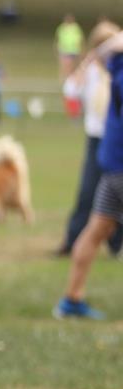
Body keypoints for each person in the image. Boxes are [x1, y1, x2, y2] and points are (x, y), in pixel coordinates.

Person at [55, 28, 123, 320]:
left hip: (111, 166)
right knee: (96, 230)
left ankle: (71, 298)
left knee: (96, 230)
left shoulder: (114, 72)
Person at [57, 13, 84, 78]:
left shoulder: (76, 27)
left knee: (73, 66)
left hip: (74, 49)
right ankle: (64, 79)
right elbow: (58, 38)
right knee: (65, 66)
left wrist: (81, 48)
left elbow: (80, 38)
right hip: (64, 49)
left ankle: (72, 79)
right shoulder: (61, 28)